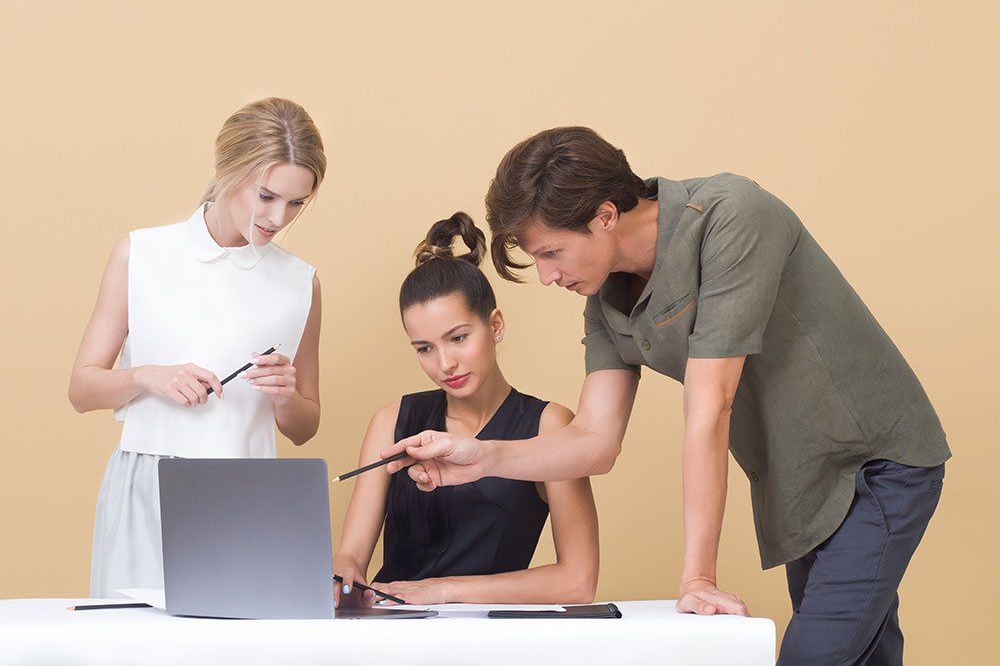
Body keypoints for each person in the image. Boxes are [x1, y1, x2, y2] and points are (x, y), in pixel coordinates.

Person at [385, 127, 949, 664]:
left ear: (605, 216)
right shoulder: (606, 294)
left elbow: (711, 408)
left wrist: (697, 579)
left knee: (816, 656)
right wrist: (481, 458)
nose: (547, 277)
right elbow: (594, 440)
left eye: (551, 253)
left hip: (874, 465)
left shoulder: (732, 217)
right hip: (797, 487)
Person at [68, 98, 326, 598]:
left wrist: (285, 395)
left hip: (249, 495)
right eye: (267, 196)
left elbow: (304, 428)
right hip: (146, 485)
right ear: (229, 170)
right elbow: (82, 389)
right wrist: (147, 376)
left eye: (297, 203)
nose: (279, 218)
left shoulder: (301, 284)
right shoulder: (141, 254)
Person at [334, 212, 599, 608]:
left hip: (485, 638)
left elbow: (578, 582)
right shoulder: (391, 422)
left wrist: (442, 592)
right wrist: (344, 577)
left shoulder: (549, 426)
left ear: (495, 325)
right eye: (424, 348)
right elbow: (351, 556)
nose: (445, 364)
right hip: (390, 630)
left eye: (458, 338)